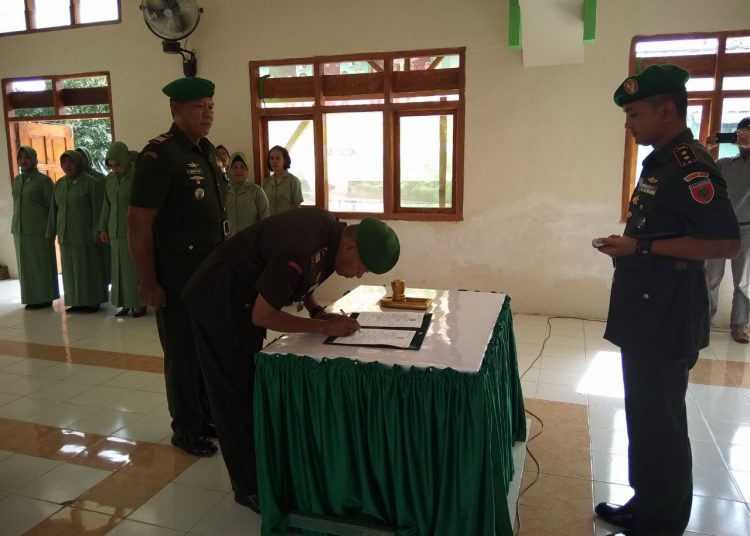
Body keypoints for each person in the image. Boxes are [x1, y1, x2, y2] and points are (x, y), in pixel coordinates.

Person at [593, 64, 740, 536]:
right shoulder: (661, 161)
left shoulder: (691, 166)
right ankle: (646, 503)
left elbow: (724, 242)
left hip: (668, 315)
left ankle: (661, 524)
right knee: (644, 416)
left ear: (667, 111)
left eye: (634, 113)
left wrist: (640, 248)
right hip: (647, 311)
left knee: (662, 424)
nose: (628, 123)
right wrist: (633, 244)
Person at [182, 208, 399, 511]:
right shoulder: (300, 247)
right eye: (362, 267)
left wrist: (316, 311)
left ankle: (261, 468)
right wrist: (322, 327)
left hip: (245, 298)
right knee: (233, 395)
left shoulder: (330, 234)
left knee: (247, 388)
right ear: (350, 247)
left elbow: (306, 277)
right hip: (219, 298)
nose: (358, 274)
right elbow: (263, 315)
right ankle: (248, 488)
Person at [128, 76, 228, 457]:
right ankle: (186, 428)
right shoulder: (160, 155)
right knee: (183, 353)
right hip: (177, 273)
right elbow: (139, 223)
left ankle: (203, 416)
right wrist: (148, 281)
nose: (208, 113)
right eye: (199, 106)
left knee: (205, 349)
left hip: (208, 270)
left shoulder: (206, 152)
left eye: (211, 106)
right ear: (176, 109)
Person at [705, 117, 750, 343]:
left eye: (748, 131)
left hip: (747, 229)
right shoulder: (723, 163)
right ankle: (704, 323)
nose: (743, 135)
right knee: (710, 279)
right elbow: (699, 172)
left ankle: (739, 326)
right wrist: (708, 147)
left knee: (743, 282)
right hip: (720, 228)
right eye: (740, 131)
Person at [47, 150, 108, 313]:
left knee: (88, 268)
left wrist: (98, 231)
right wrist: (50, 232)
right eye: (64, 162)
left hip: (85, 233)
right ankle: (76, 301)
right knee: (70, 271)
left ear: (79, 163)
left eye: (71, 162)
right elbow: (54, 211)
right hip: (66, 234)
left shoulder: (91, 183)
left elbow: (99, 209)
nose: (67, 165)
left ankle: (93, 301)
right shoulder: (60, 184)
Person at [97, 141, 146, 318]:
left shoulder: (137, 177)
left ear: (125, 160)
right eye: (111, 166)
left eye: (117, 165)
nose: (115, 169)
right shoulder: (110, 180)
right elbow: (106, 205)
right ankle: (124, 303)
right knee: (118, 268)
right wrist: (103, 227)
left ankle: (138, 303)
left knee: (133, 268)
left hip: (132, 229)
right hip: (114, 231)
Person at [11, 146, 60, 310]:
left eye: (27, 157)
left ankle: (45, 296)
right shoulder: (17, 180)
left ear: (34, 159)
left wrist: (51, 230)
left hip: (39, 229)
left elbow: (52, 207)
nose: (23, 161)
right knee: (25, 266)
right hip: (20, 230)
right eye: (20, 157)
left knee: (41, 263)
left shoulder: (43, 181)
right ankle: (31, 297)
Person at [226, 151, 269, 236]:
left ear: (247, 169)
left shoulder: (257, 191)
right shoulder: (224, 191)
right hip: (229, 240)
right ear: (230, 169)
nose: (239, 170)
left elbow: (265, 220)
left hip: (251, 240)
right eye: (235, 167)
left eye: (242, 167)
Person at [262, 145, 303, 214]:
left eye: (278, 158)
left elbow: (297, 207)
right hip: (270, 220)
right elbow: (263, 206)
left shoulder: (293, 181)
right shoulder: (266, 182)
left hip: (287, 220)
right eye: (271, 158)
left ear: (284, 161)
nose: (274, 161)